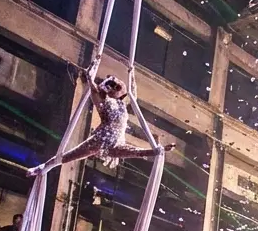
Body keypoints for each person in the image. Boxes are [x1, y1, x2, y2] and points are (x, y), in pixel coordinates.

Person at [28, 69, 174, 176]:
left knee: (136, 152)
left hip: (114, 142)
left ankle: (156, 151)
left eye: (117, 86)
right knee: (66, 157)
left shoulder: (123, 103)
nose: (116, 86)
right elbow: (94, 91)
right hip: (100, 140)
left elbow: (132, 93)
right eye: (114, 85)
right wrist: (90, 79)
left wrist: (132, 74)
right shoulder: (105, 101)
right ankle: (42, 167)